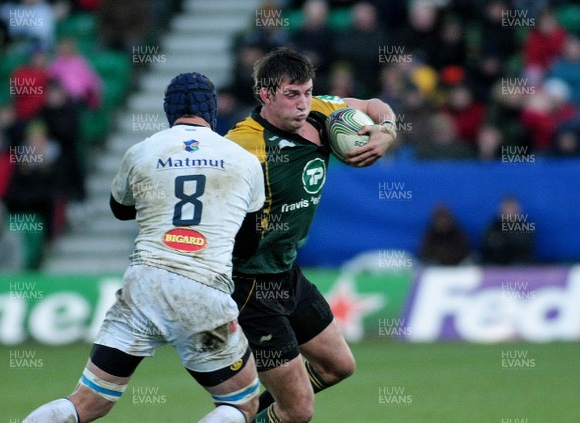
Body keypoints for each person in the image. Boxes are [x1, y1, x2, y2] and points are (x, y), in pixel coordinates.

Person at [22, 72, 266, 423]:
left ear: (169, 110)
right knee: (241, 404)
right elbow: (250, 241)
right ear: (211, 110)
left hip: (143, 286)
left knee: (88, 403)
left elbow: (120, 210)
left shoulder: (143, 150)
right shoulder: (242, 159)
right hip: (202, 290)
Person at [225, 47, 397, 422]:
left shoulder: (322, 111)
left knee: (338, 366)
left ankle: (244, 413)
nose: (304, 103)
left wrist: (386, 130)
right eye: (292, 95)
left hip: (286, 273)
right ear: (265, 95)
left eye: (307, 91)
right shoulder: (243, 146)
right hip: (249, 285)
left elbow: (373, 103)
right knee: (299, 411)